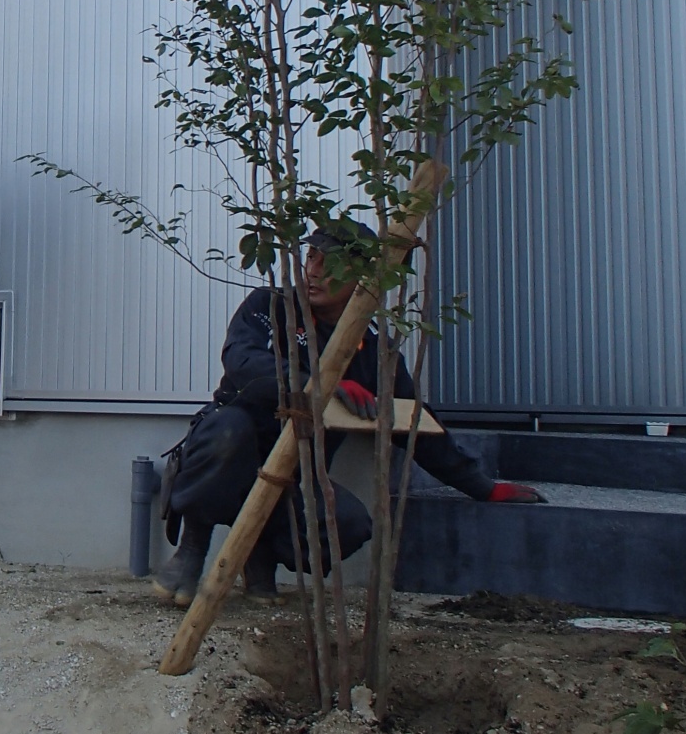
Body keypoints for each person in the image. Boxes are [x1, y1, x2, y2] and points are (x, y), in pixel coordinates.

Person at [154, 223, 543, 608]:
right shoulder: (270, 305)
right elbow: (242, 362)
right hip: (231, 450)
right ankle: (192, 550)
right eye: (311, 257)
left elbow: (410, 423)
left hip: (296, 472)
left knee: (349, 524)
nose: (314, 270)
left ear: (359, 276)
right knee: (228, 430)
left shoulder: (373, 350)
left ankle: (261, 558)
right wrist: (318, 384)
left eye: (329, 262)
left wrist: (482, 486)